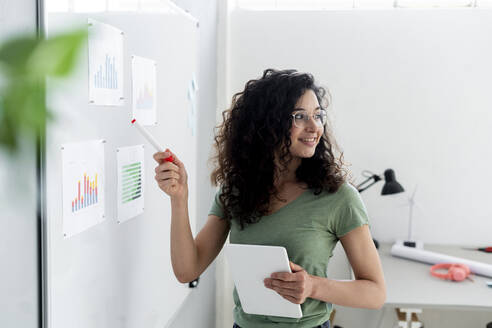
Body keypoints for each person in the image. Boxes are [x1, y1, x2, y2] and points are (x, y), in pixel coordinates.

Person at [153, 68, 386, 328]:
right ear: (267, 123)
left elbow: (375, 293)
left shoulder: (339, 197)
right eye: (300, 116)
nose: (314, 127)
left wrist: (313, 286)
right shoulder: (236, 190)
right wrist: (179, 198)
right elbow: (188, 269)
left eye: (318, 116)